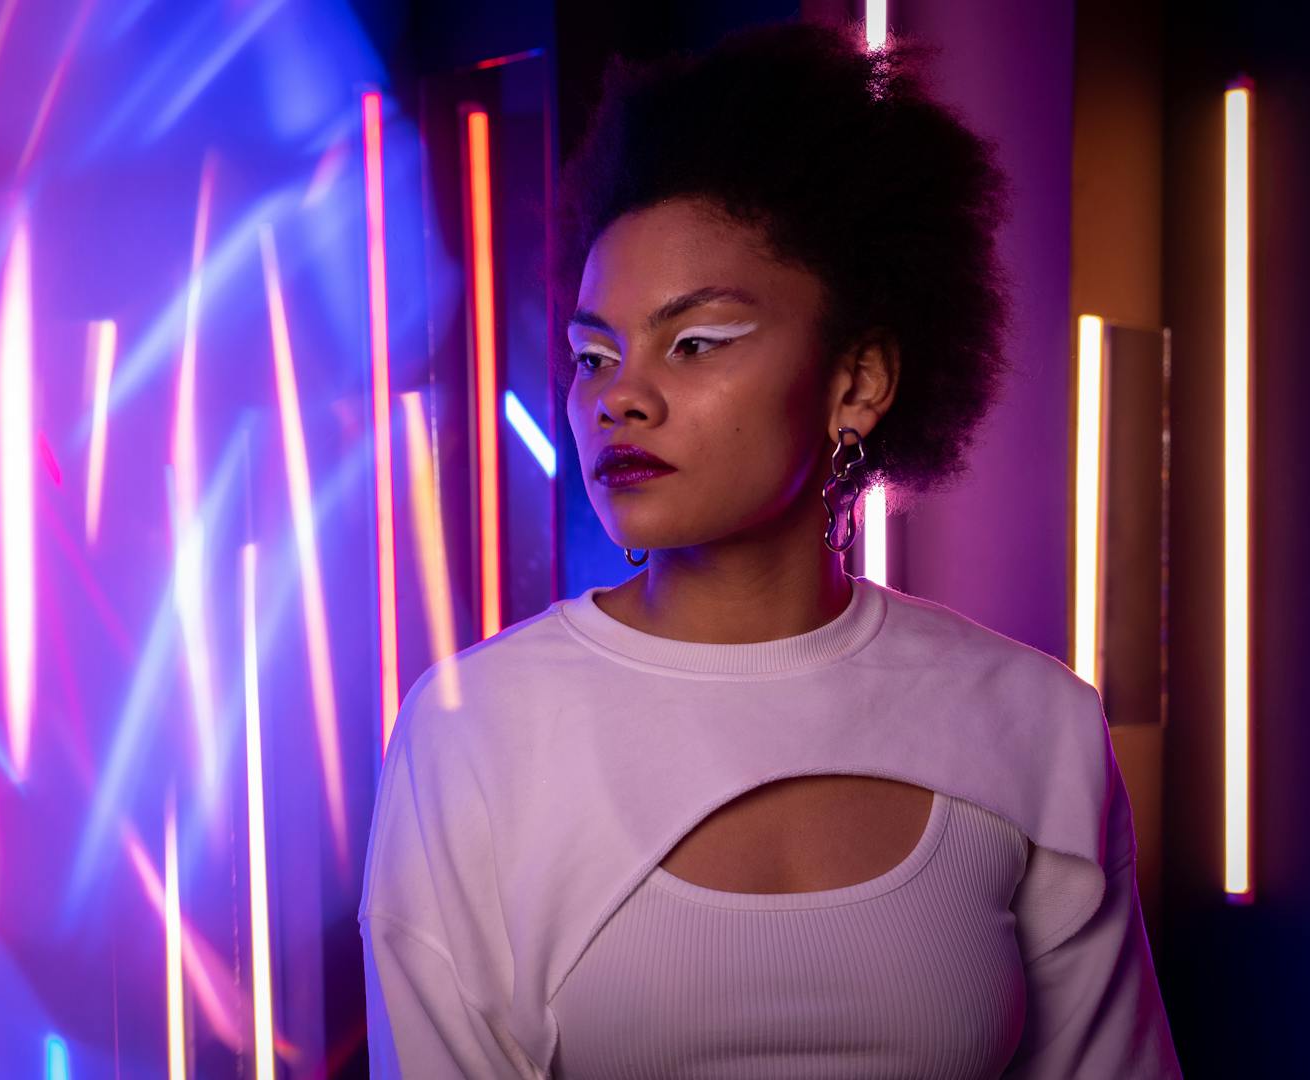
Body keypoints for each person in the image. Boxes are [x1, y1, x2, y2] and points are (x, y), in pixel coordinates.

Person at [357, 18, 1182, 1080]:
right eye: (592, 354)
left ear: (859, 382)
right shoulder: (476, 734)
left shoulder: (1031, 723)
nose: (620, 400)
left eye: (694, 342)